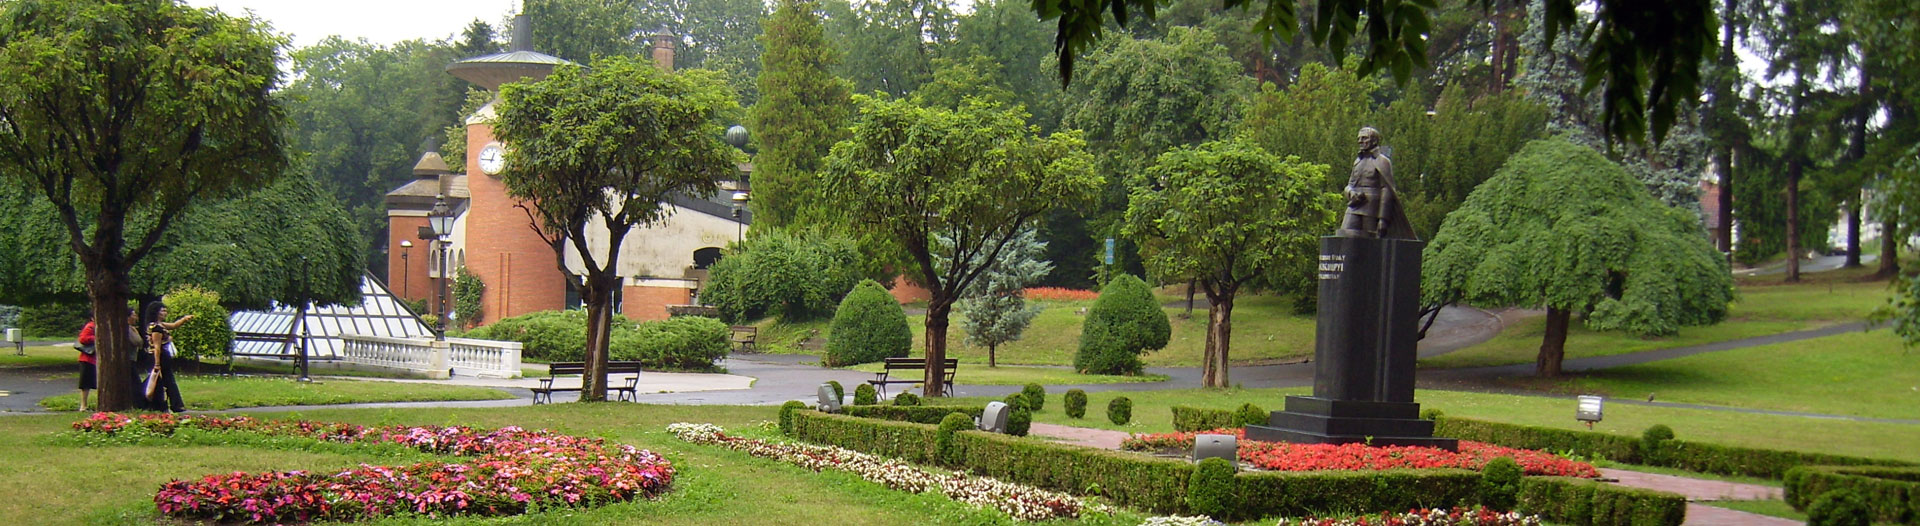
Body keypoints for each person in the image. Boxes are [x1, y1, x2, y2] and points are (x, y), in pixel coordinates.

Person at [140, 301, 193, 413]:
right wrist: (157, 363)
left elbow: (174, 325)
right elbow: (157, 347)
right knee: (161, 380)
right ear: (156, 312)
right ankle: (167, 404)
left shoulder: (160, 325)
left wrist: (184, 319)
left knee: (165, 380)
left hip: (162, 356)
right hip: (159, 356)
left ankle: (170, 404)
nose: (165, 313)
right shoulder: (156, 328)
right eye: (163, 311)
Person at [75, 313, 97, 412]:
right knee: (85, 384)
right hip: (88, 359)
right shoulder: (90, 326)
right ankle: (83, 405)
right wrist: (96, 337)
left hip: (95, 360)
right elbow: (83, 339)